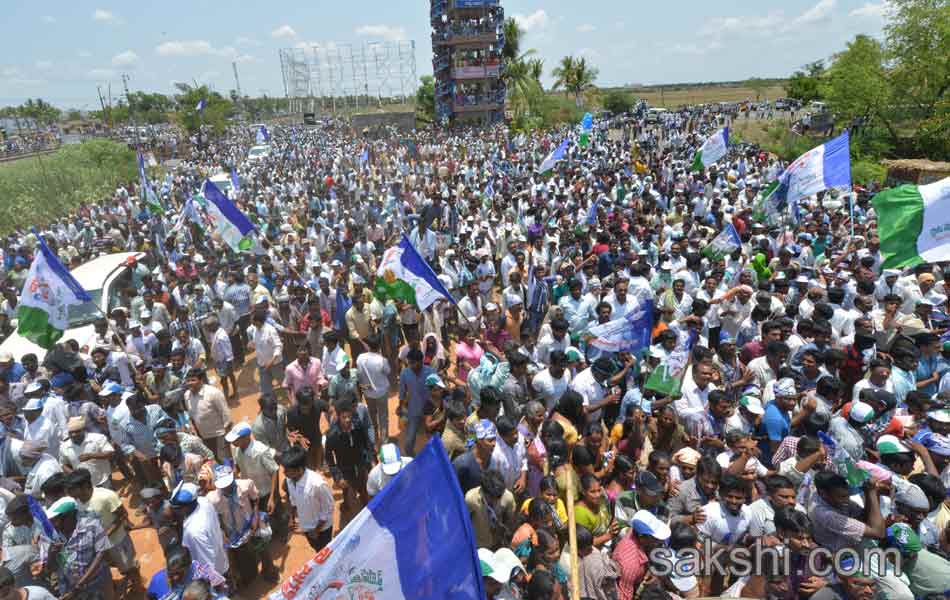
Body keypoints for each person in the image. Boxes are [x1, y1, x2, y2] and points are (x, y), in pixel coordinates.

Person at [65, 469, 141, 590]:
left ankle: (138, 586)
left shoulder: (106, 496)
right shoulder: (77, 501)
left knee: (128, 567)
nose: (68, 492)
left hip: (116, 542)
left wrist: (105, 535)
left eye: (72, 489)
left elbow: (122, 515)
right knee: (112, 566)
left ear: (84, 486)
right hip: (98, 548)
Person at [206, 465, 278, 584]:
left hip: (251, 525)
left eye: (228, 484)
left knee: (262, 548)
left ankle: (269, 571)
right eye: (223, 486)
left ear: (233, 477)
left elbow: (255, 499)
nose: (227, 488)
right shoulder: (213, 499)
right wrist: (223, 532)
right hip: (234, 533)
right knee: (243, 555)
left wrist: (255, 516)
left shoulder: (246, 485)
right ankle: (248, 576)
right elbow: (217, 517)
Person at [36, 496, 115, 600]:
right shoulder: (49, 536)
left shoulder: (91, 525)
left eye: (56, 520)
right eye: (51, 521)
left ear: (70, 515)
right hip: (71, 586)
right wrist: (52, 552)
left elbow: (102, 553)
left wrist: (79, 585)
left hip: (97, 581)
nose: (54, 525)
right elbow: (50, 569)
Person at [325, 399, 374, 525]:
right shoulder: (332, 435)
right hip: (345, 471)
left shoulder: (358, 426)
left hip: (361, 466)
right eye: (344, 417)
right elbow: (329, 458)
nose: (347, 420)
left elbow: (367, 443)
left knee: (364, 492)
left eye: (349, 416)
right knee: (349, 497)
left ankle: (368, 520)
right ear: (338, 416)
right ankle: (351, 521)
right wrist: (337, 477)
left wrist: (370, 460)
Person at [169, 482, 229, 580]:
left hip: (216, 573)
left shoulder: (194, 532)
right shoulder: (203, 501)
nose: (174, 511)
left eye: (176, 509)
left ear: (185, 508)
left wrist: (215, 584)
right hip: (220, 553)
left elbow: (206, 564)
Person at [281, 447, 335, 551]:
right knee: (317, 549)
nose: (284, 472)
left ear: (299, 469)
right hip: (306, 526)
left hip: (322, 529)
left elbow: (329, 508)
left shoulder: (318, 484)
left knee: (325, 552)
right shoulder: (289, 479)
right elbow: (293, 500)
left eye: (287, 470)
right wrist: (292, 517)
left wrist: (316, 530)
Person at [183, 368, 232, 460]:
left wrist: (227, 436)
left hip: (220, 434)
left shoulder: (213, 393)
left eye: (193, 380)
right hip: (204, 436)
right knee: (213, 460)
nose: (190, 383)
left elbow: (226, 415)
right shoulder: (187, 395)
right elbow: (191, 416)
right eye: (188, 380)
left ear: (201, 380)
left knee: (225, 460)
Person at [145, 546, 227, 600]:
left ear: (189, 566)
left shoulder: (204, 572)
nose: (174, 577)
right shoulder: (157, 580)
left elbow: (221, 593)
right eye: (170, 573)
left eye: (178, 573)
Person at [398, 348, 435, 457]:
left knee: (433, 439)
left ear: (421, 361)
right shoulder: (405, 373)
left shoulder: (431, 372)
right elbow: (402, 392)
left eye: (413, 363)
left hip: (430, 411)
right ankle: (412, 459)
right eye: (409, 363)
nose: (410, 365)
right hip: (413, 411)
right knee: (408, 444)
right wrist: (400, 407)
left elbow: (438, 390)